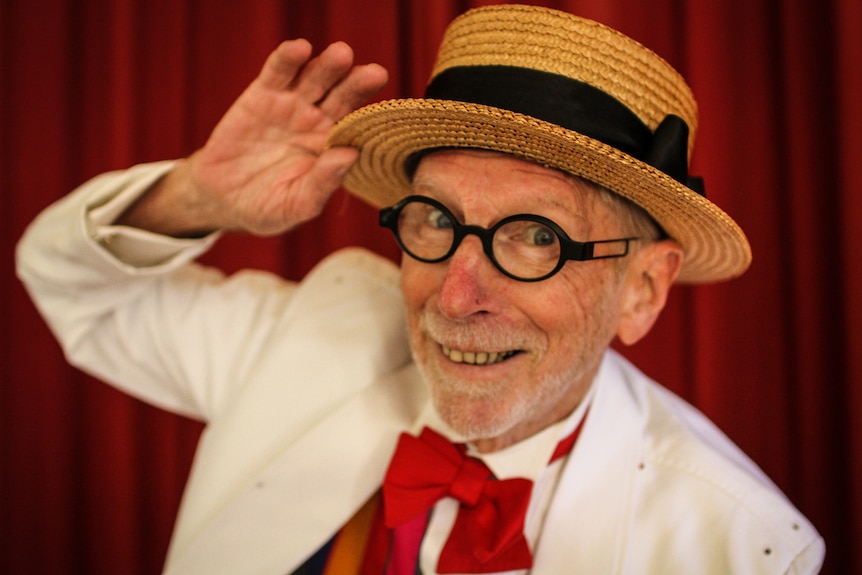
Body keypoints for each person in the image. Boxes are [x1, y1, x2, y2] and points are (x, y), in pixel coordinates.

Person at [17, 4, 824, 574]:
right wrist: (196, 196)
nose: (456, 294)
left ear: (643, 289)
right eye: (436, 219)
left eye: (536, 236)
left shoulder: (741, 550)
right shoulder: (324, 323)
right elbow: (73, 286)